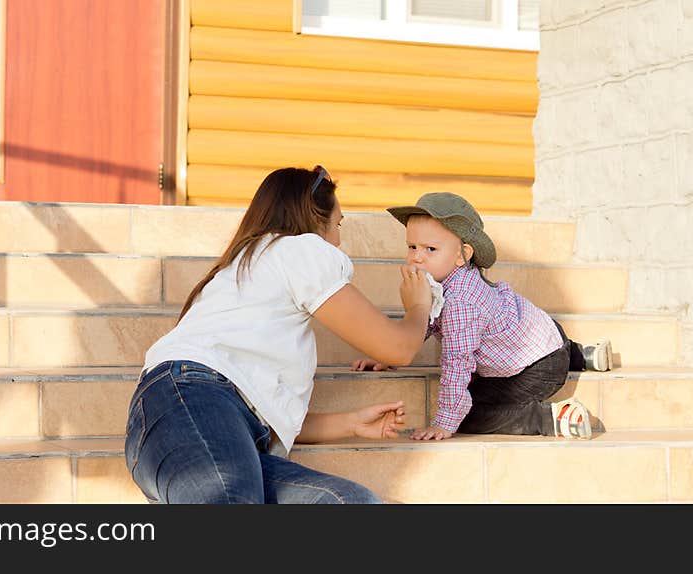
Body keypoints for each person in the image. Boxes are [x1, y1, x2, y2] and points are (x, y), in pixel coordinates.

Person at [124, 166, 434, 504]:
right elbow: (398, 348)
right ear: (316, 223)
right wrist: (419, 306)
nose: (339, 240)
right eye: (339, 224)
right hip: (187, 403)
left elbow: (255, 409)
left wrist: (350, 424)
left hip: (190, 426)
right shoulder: (298, 250)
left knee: (349, 502)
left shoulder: (249, 271)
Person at [351, 192, 613, 442]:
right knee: (539, 329)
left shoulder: (460, 304)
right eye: (412, 246)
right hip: (549, 336)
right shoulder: (445, 283)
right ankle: (582, 354)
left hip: (535, 370)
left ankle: (548, 418)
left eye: (430, 249)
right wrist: (389, 353)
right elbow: (427, 324)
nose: (417, 257)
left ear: (462, 254)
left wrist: (445, 421)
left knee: (469, 414)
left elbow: (457, 362)